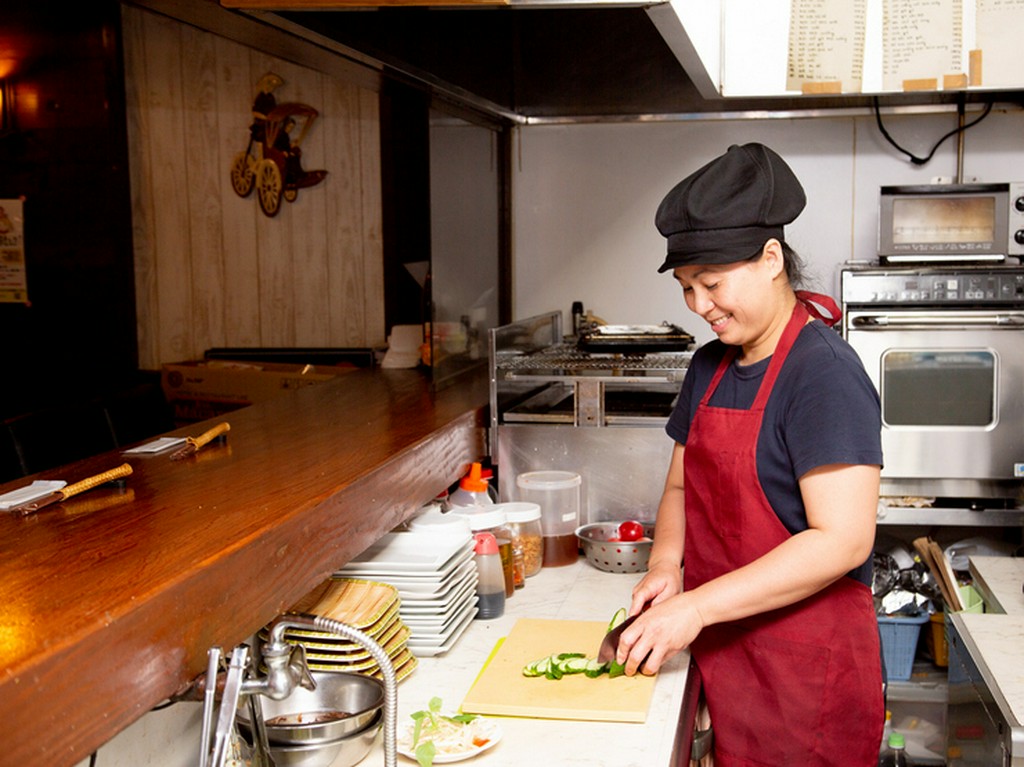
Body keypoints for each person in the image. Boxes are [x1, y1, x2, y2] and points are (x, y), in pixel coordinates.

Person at [614, 143, 884, 766]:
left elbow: (843, 541)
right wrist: (666, 565)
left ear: (771, 259)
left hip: (807, 679)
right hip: (725, 655)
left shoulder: (823, 374)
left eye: (711, 283)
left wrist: (696, 606)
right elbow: (680, 487)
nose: (698, 306)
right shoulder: (709, 366)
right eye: (686, 287)